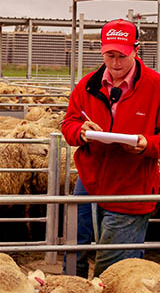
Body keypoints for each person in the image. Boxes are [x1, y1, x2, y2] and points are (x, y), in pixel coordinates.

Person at [62, 18, 160, 277]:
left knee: (113, 264)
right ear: (101, 50)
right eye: (109, 55)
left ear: (136, 49)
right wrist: (81, 132)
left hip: (132, 182)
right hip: (89, 177)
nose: (115, 63)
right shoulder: (88, 84)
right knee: (74, 251)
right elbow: (69, 122)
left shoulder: (155, 86)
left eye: (122, 55)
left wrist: (146, 144)